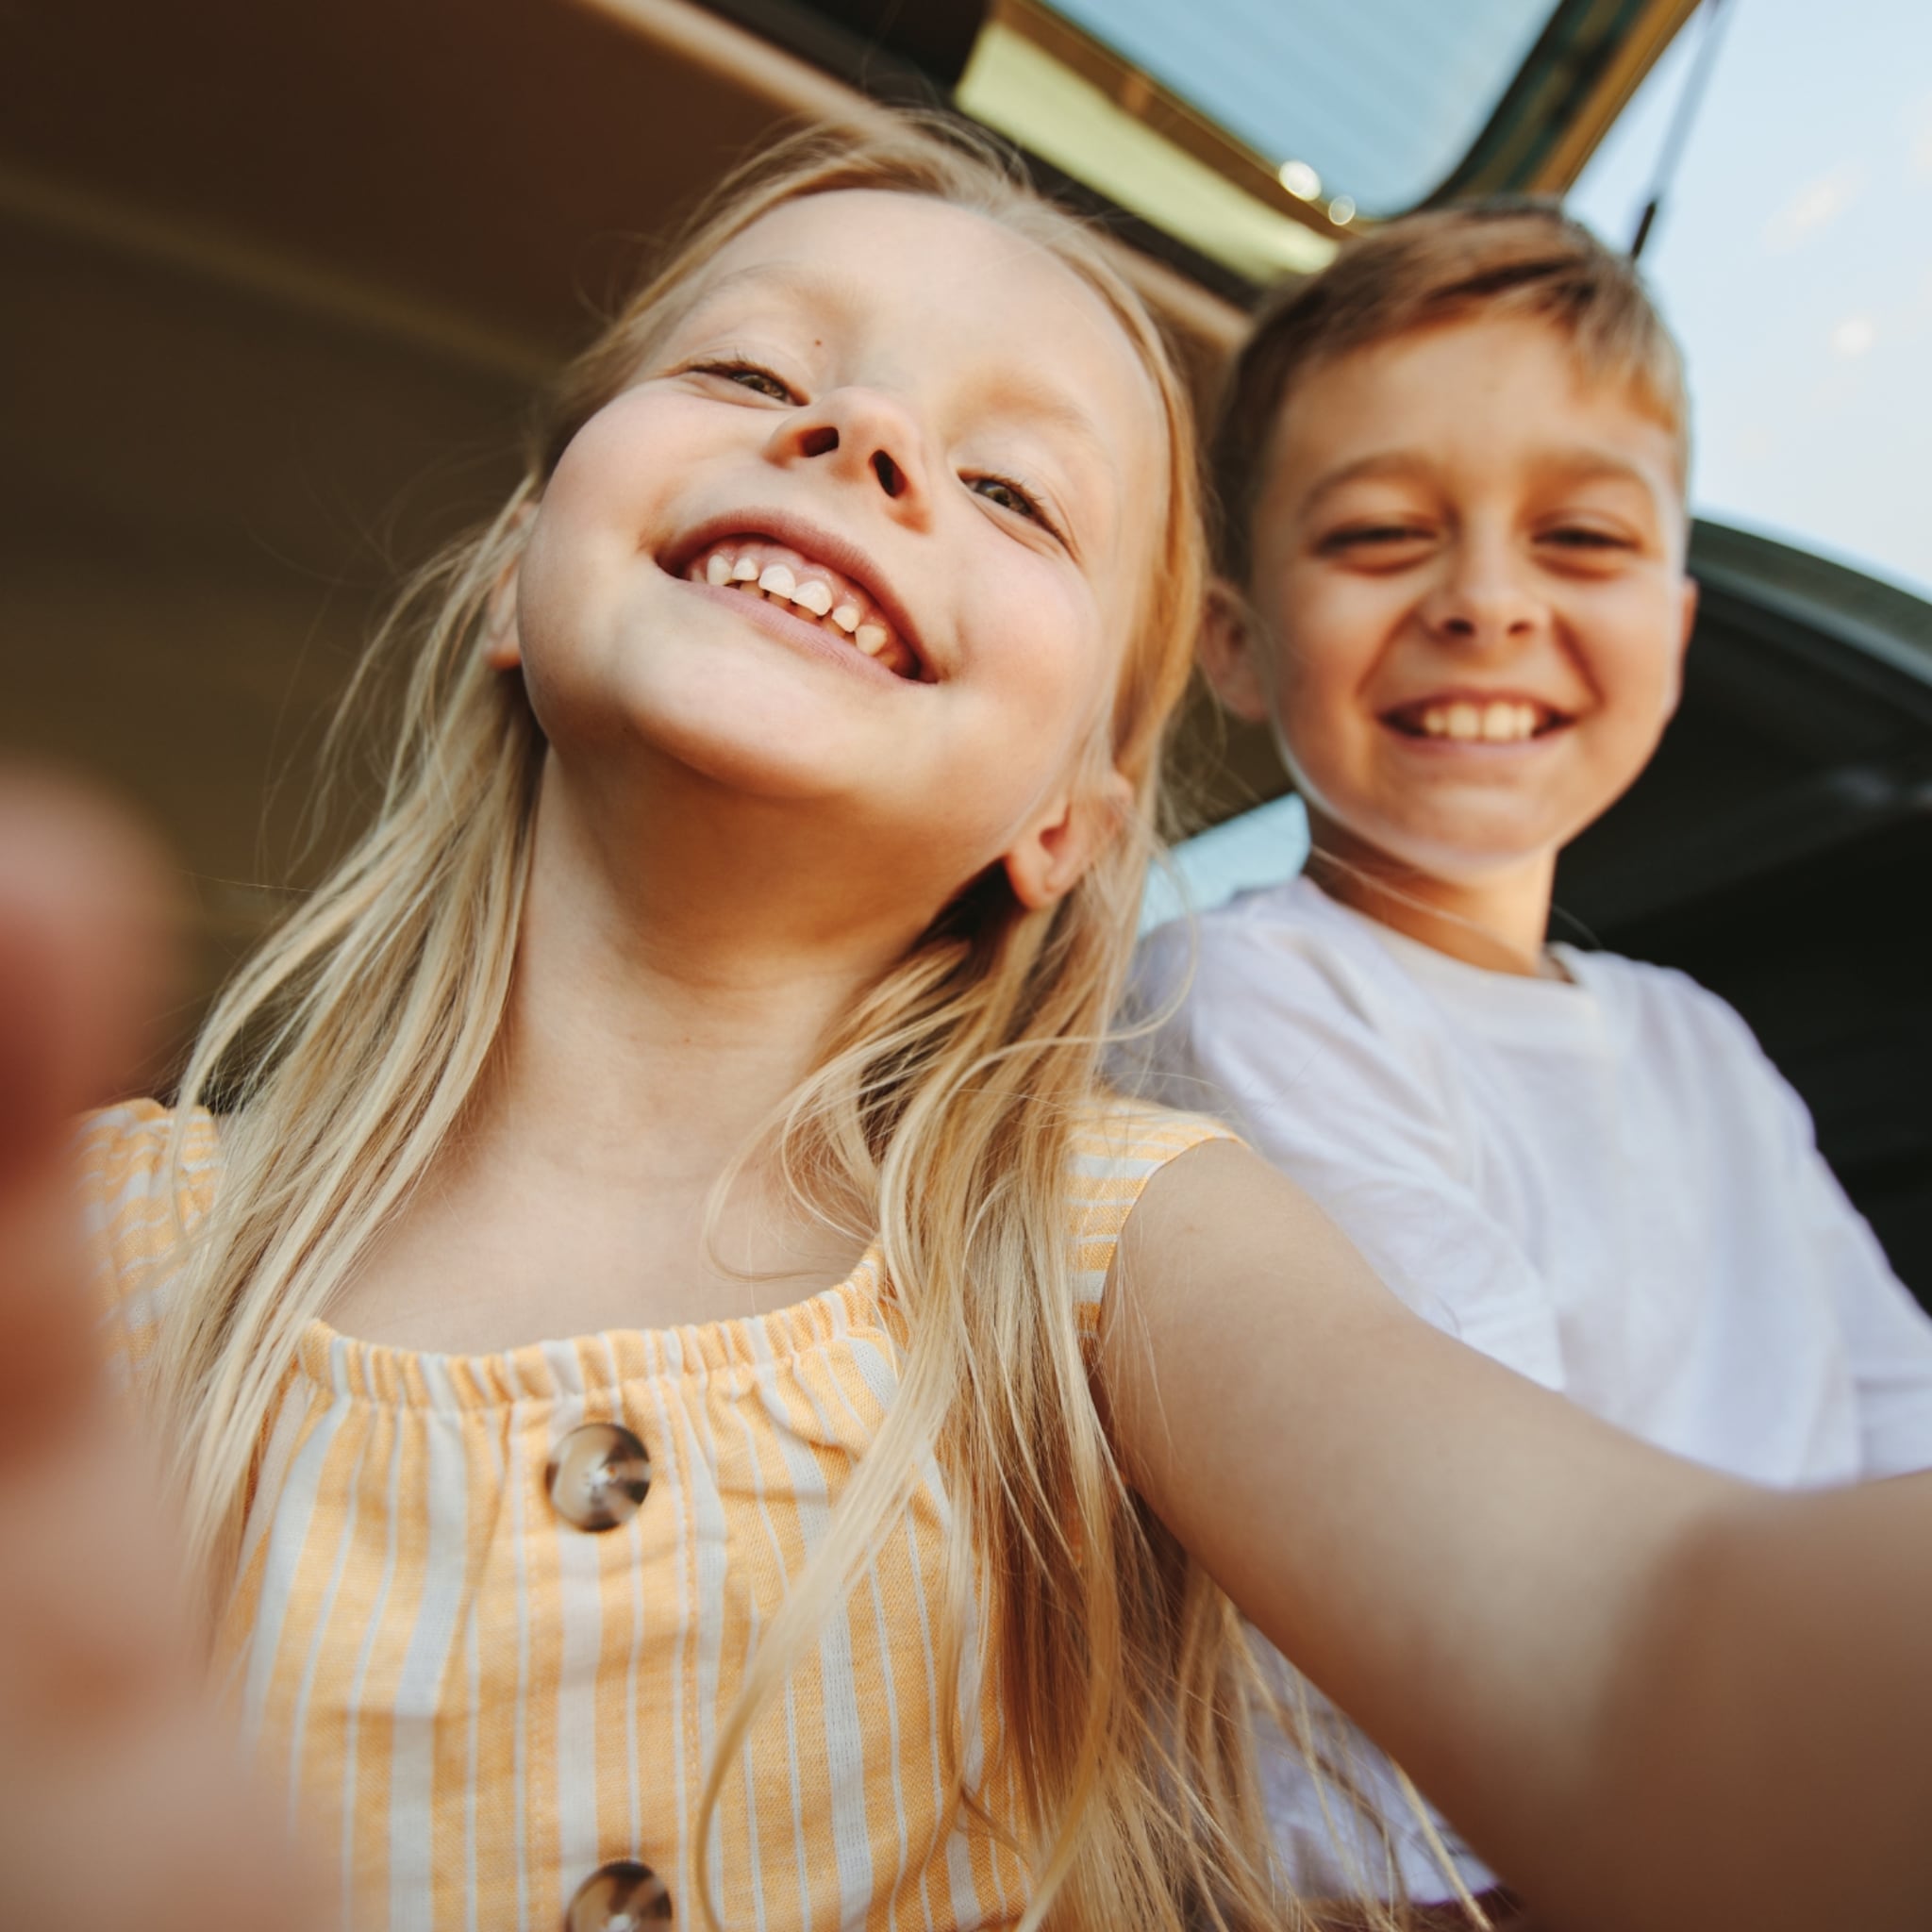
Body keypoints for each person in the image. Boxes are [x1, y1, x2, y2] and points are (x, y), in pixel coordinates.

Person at [9, 125, 1932, 1932]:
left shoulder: (1113, 1251)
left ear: (1068, 819)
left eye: (1015, 490)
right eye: (754, 378)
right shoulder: (95, 1253)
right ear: (521, 565)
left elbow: (1632, 1641)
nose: (858, 434)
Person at [1125, 202, 1932, 1907]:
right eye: (1379, 536)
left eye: (1578, 538)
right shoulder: (1244, 995)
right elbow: (1486, 1556)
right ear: (1236, 643)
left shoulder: (1695, 1040)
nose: (1487, 601)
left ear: (1677, 629)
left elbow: (1899, 1411)